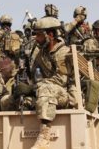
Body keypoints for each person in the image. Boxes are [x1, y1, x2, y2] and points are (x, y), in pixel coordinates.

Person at [30, 17, 72, 149]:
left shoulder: (63, 52)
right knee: (8, 99)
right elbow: (34, 75)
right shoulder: (40, 54)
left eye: (39, 35)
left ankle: (45, 138)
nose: (36, 38)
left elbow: (61, 80)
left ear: (50, 35)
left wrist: (35, 87)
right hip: (45, 92)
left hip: (65, 94)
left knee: (46, 89)